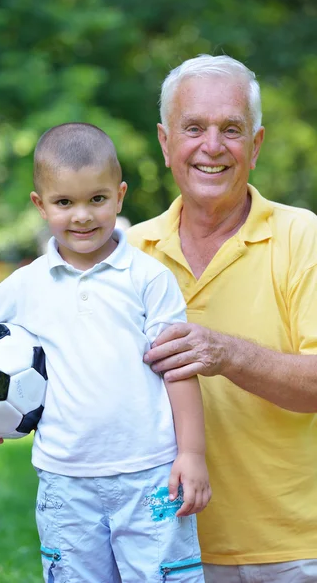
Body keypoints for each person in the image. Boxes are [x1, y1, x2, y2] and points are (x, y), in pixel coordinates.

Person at [0, 123, 211, 583]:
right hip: (65, 481)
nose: (82, 215)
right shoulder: (27, 284)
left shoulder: (148, 279)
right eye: (64, 203)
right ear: (41, 205)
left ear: (120, 196)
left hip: (151, 475)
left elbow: (179, 369)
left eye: (97, 199)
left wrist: (192, 454)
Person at [127, 54, 317, 583]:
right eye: (194, 128)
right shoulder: (126, 254)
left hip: (293, 551)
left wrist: (227, 353)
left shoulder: (304, 237)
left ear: (255, 146)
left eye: (231, 129)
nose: (212, 146)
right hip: (161, 545)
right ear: (166, 144)